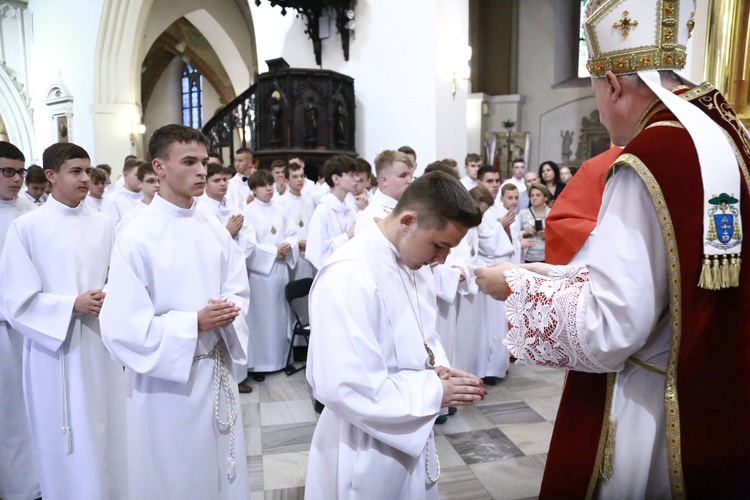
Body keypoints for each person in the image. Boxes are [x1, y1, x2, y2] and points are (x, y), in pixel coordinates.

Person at [476, 1, 750, 496]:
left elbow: (610, 328)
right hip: (719, 391)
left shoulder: (649, 160)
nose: (600, 112)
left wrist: (516, 286)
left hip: (653, 405)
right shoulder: (725, 136)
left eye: (595, 93)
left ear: (614, 84)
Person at [304, 172, 487, 499]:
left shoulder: (411, 260)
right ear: (407, 221)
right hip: (362, 441)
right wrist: (433, 391)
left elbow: (424, 334)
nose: (442, 259)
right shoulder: (350, 273)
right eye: (440, 245)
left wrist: (437, 368)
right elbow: (344, 386)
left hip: (409, 423)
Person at [100, 124, 251, 499]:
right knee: (175, 477)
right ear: (160, 167)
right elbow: (121, 326)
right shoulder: (136, 236)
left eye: (204, 162)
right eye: (189, 162)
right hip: (166, 385)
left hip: (216, 368)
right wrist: (192, 323)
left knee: (221, 472)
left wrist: (228, 308)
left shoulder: (213, 228)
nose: (202, 171)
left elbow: (237, 287)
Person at [1, 142, 126, 499]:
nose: (86, 179)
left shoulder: (104, 225)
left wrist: (111, 296)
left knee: (105, 426)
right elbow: (17, 300)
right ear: (51, 176)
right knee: (66, 433)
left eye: (87, 171)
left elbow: (117, 278)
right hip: (53, 348)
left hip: (100, 344)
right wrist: (71, 304)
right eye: (76, 172)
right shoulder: (27, 227)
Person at [0, 141, 41, 500]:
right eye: (7, 172)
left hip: (29, 329)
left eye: (21, 172)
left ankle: (32, 485)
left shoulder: (30, 213)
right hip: (2, 329)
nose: (16, 179)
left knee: (28, 413)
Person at [240, 169, 298, 383]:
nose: (269, 189)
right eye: (263, 186)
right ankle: (261, 364)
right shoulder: (247, 212)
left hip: (280, 271)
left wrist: (288, 245)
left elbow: (292, 233)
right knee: (261, 319)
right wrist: (275, 251)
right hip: (260, 276)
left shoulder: (281, 208)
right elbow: (247, 245)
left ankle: (282, 359)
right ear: (253, 189)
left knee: (281, 318)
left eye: (271, 185)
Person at [305, 155, 358, 270]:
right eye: (351, 175)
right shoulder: (323, 211)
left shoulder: (349, 207)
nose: (356, 179)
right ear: (336, 179)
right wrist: (347, 236)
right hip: (332, 275)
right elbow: (316, 253)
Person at [355, 150, 413, 233]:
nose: (409, 180)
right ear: (384, 180)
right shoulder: (372, 216)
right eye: (403, 176)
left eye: (410, 176)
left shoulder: (409, 207)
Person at [279, 160, 315, 280]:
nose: (300, 179)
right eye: (295, 177)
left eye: (302, 176)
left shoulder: (309, 201)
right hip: (291, 255)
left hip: (308, 252)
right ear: (287, 180)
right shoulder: (281, 202)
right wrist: (295, 244)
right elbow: (282, 230)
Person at [198, 162, 244, 239]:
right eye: (217, 180)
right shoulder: (200, 211)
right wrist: (227, 232)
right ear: (205, 184)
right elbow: (204, 241)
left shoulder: (234, 208)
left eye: (225, 179)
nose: (223, 183)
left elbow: (249, 235)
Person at [116, 161, 160, 233]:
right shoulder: (132, 216)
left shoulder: (171, 210)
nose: (157, 185)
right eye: (151, 181)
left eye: (159, 181)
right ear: (139, 183)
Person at [100, 157, 143, 224]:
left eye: (143, 175)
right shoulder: (112, 199)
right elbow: (111, 228)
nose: (141, 178)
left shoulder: (149, 197)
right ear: (125, 175)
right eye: (137, 175)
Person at [519, 183, 551, 263]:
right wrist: (525, 233)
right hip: (527, 257)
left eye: (538, 195)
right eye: (532, 195)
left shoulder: (552, 213)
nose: (534, 198)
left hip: (547, 257)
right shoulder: (523, 213)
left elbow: (559, 236)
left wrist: (547, 234)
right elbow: (514, 234)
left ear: (545, 198)